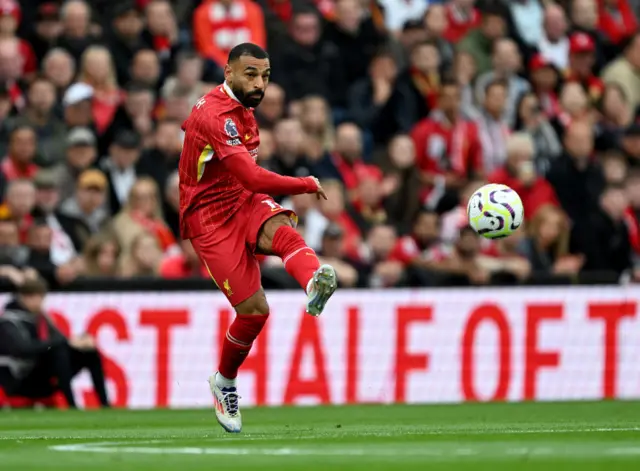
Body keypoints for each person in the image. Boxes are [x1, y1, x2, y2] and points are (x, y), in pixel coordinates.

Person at [179, 43, 336, 433]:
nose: (260, 82)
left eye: (265, 75)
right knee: (255, 312)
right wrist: (305, 183)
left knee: (281, 231)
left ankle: (314, 281)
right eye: (251, 73)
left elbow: (243, 179)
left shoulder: (241, 109)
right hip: (209, 220)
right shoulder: (218, 115)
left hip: (240, 199)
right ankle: (224, 382)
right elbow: (250, 174)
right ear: (228, 72)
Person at [0, 276, 109, 409]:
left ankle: (105, 404)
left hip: (40, 374)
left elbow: (59, 340)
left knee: (89, 353)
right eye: (36, 297)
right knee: (59, 351)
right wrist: (65, 343)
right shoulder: (9, 321)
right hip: (18, 377)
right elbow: (23, 349)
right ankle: (71, 405)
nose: (40, 302)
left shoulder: (40, 317)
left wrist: (78, 343)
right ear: (24, 297)